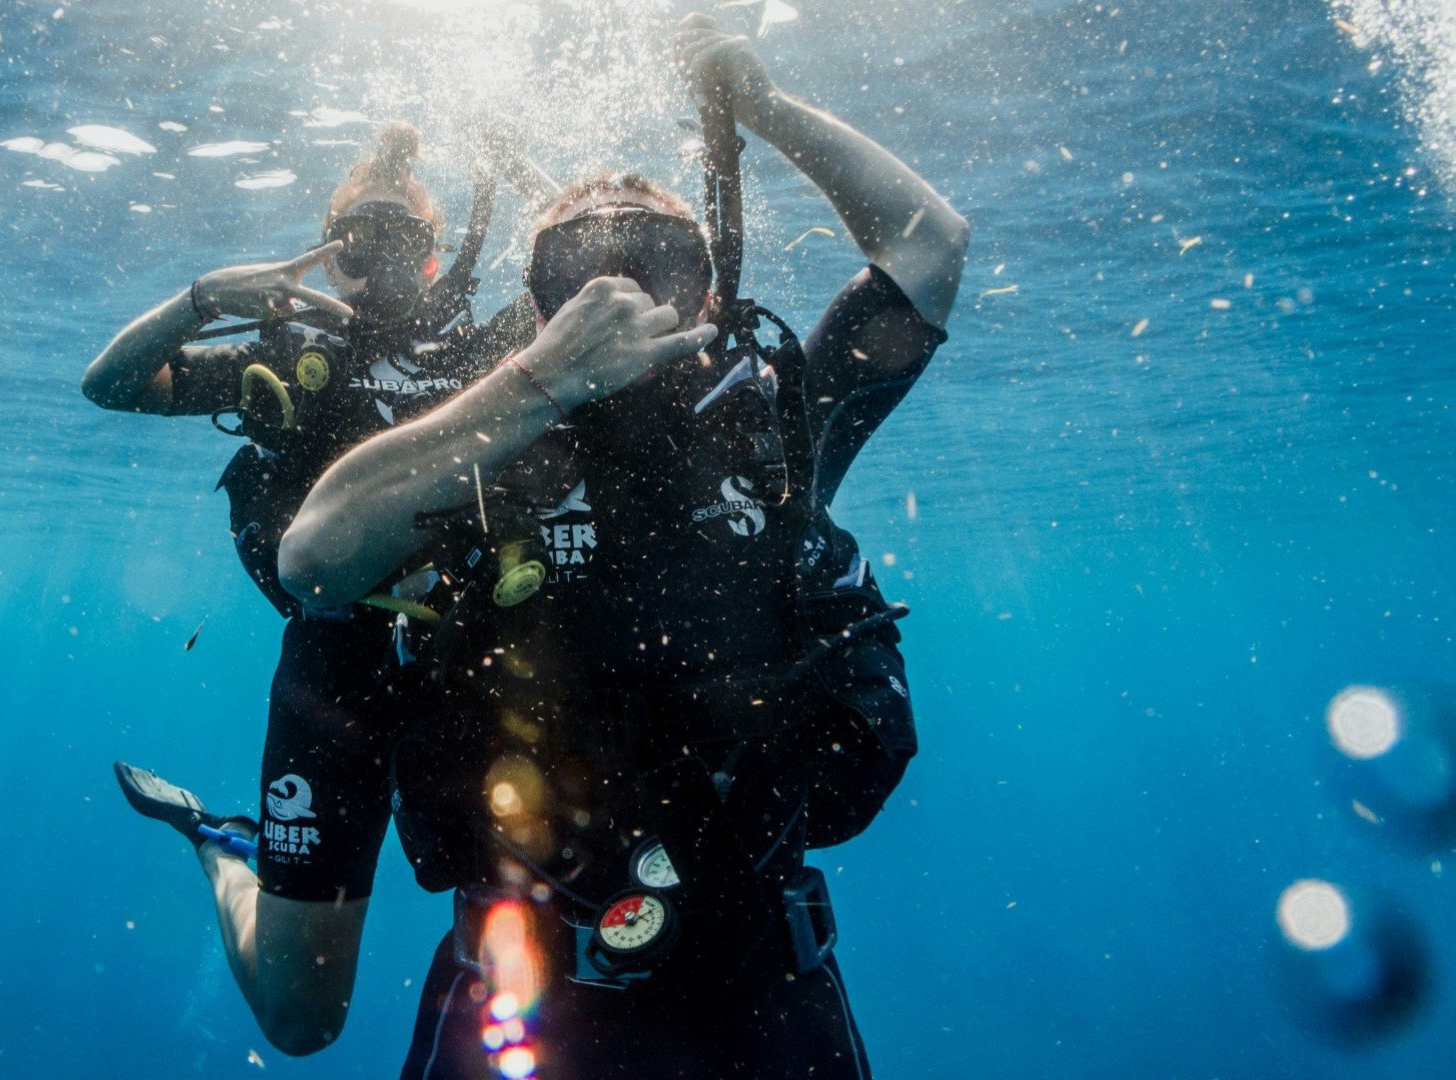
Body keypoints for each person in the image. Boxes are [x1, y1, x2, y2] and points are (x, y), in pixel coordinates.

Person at [277, 14, 969, 1079]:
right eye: (585, 264)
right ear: (540, 299)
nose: (626, 289)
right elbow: (313, 558)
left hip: (765, 998)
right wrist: (539, 382)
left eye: (660, 257)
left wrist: (770, 111)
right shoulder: (480, 435)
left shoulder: (769, 426)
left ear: (709, 285)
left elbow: (930, 245)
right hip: (516, 1000)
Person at [83, 123, 539, 1055]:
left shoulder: (494, 355)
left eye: (401, 242)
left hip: (479, 669)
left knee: (534, 928)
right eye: (355, 244)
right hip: (334, 682)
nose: (378, 262)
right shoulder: (285, 363)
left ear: (435, 260)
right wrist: (204, 299)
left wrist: (523, 166)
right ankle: (226, 846)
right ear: (327, 262)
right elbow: (112, 384)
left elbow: (604, 279)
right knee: (299, 1022)